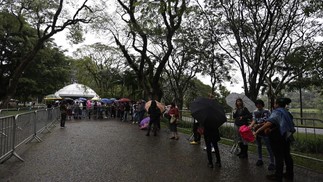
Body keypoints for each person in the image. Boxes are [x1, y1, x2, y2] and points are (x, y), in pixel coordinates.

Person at [254, 97, 295, 182]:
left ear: (277, 104)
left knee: (279, 157)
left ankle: (278, 176)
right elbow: (280, 124)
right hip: (286, 136)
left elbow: (270, 122)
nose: (274, 105)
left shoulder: (277, 112)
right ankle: (289, 174)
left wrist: (257, 131)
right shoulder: (287, 112)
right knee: (287, 155)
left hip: (278, 137)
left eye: (275, 103)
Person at [249, 99, 275, 170]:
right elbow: (254, 120)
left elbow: (269, 120)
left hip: (265, 131)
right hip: (257, 131)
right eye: (257, 104)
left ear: (262, 104)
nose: (258, 105)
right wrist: (250, 126)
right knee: (259, 146)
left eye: (260, 104)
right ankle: (260, 159)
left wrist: (259, 124)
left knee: (269, 147)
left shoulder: (267, 111)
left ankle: (272, 162)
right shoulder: (254, 112)